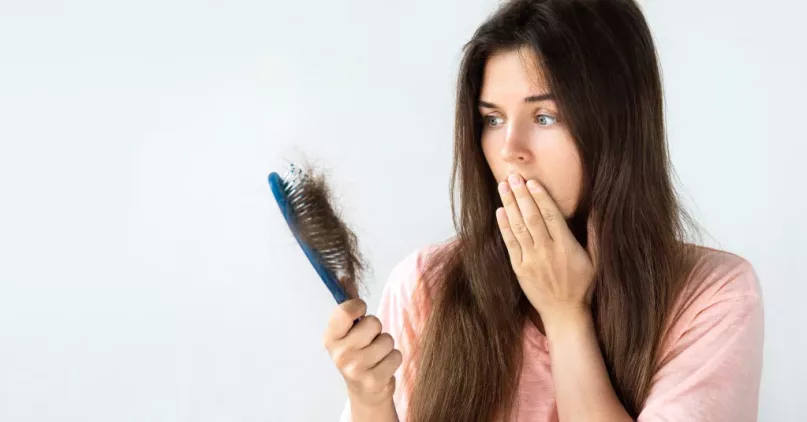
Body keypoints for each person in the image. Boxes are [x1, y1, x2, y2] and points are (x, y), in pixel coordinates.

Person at [323, 0, 764, 421]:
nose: (509, 149)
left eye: (545, 117)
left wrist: (565, 315)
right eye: (492, 120)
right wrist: (369, 397)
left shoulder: (714, 297)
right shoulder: (424, 285)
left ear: (616, 130)